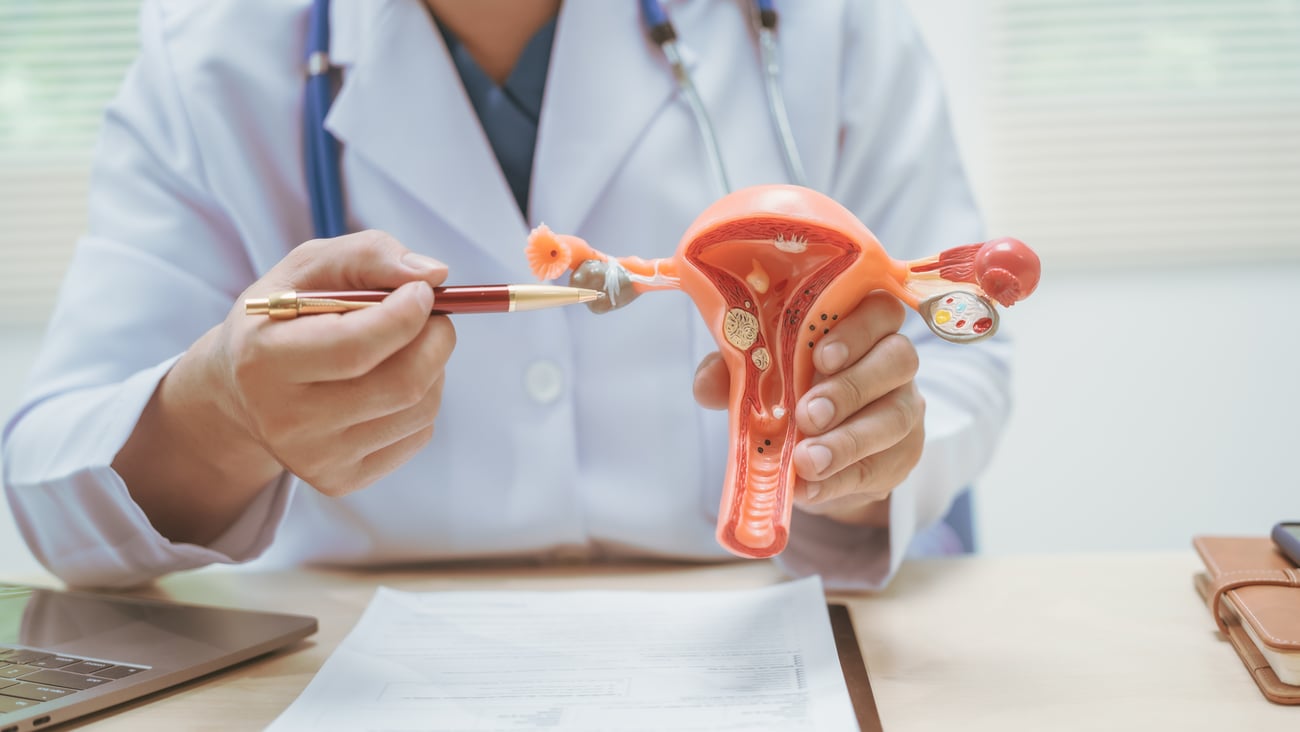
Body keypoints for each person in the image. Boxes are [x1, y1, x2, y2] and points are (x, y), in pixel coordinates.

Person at [0, 0, 1010, 590]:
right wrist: (221, 417)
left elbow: (961, 350)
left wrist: (868, 444)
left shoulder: (819, 22)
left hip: (746, 636)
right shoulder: (211, 57)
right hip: (355, 661)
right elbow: (51, 472)